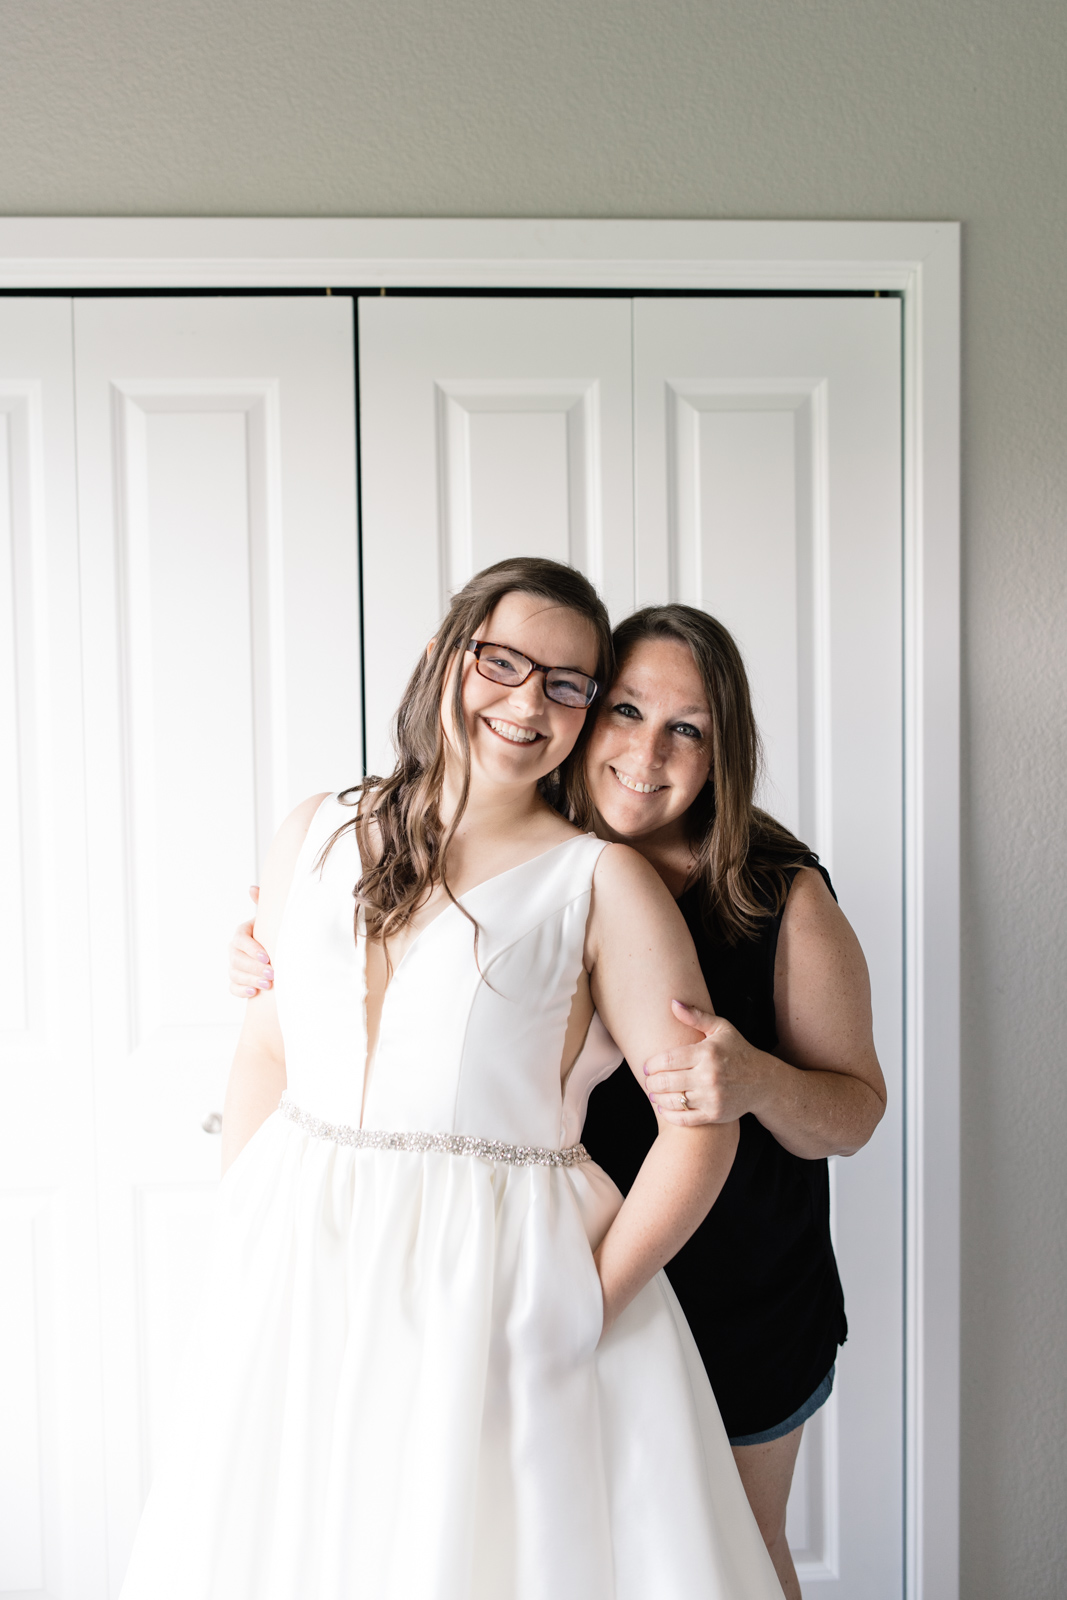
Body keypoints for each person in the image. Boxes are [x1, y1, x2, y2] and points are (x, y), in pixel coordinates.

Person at [124, 558, 782, 1600]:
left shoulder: (600, 882)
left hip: (507, 1292)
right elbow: (264, 1050)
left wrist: (579, 1305)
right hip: (308, 1277)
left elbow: (699, 1129)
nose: (527, 702)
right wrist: (249, 1228)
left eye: (566, 683)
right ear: (442, 658)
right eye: (503, 662)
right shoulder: (316, 829)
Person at [231, 600, 887, 1600]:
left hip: (730, 1284)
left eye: (686, 729)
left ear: (722, 754)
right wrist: (278, 956)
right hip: (528, 1260)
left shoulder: (779, 897)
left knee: (723, 1555)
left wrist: (755, 1078)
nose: (645, 751)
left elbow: (854, 1111)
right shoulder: (528, 859)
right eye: (623, 710)